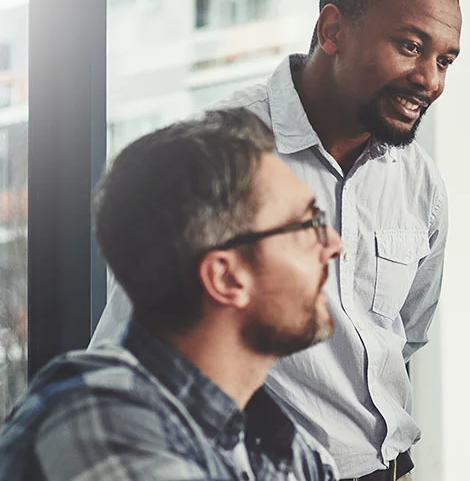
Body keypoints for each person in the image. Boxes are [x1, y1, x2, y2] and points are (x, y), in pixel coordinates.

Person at [90, 0, 459, 478]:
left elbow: (406, 335)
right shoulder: (220, 154)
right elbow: (136, 345)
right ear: (332, 31)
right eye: (410, 46)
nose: (430, 79)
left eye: (445, 60)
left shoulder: (419, 179)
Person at [0, 109, 342, 480]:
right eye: (308, 226)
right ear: (225, 278)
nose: (334, 245)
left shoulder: (277, 445)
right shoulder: (98, 421)